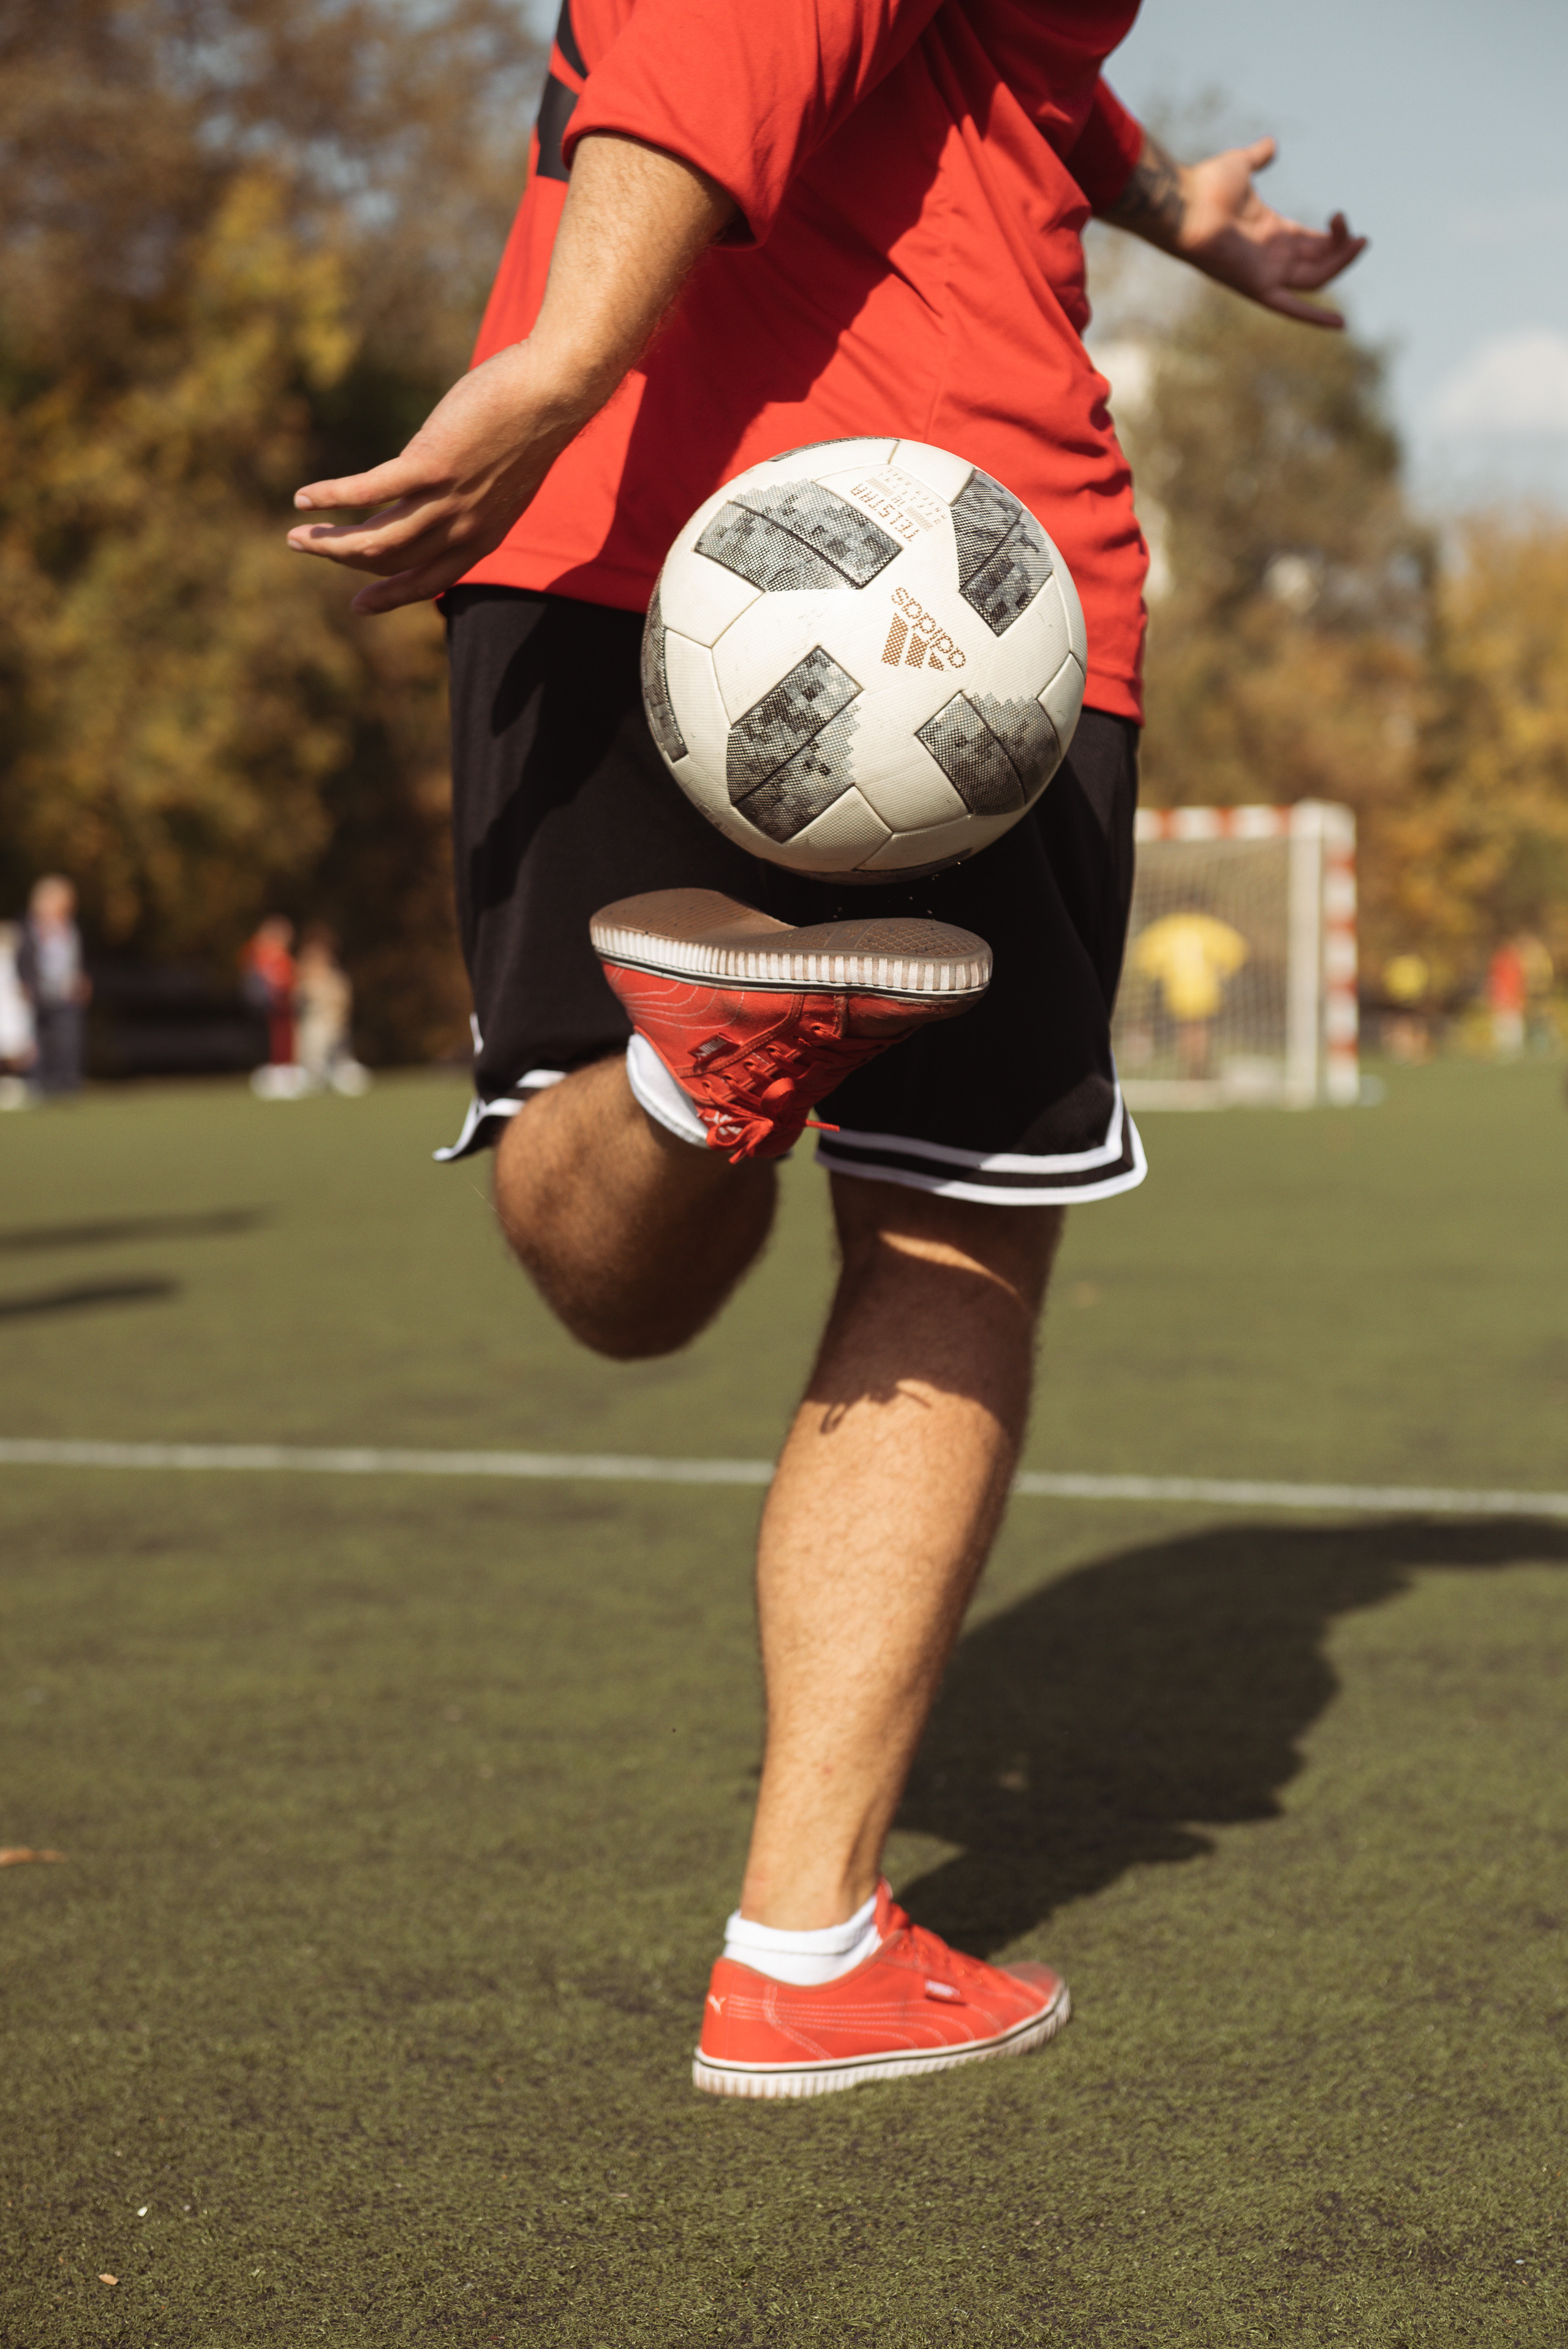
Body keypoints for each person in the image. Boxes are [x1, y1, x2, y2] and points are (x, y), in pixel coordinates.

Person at [288, 0, 1365, 2098]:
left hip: (607, 553)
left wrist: (1164, 199)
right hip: (953, 583)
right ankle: (804, 1945)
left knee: (620, 1255)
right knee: (955, 1233)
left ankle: (693, 1071)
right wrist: (570, 346)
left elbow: (986, 50)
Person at [17, 875, 91, 1098]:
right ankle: (40, 1083)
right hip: (40, 994)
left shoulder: (70, 929)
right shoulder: (30, 928)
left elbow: (75, 960)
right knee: (40, 1040)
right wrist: (26, 984)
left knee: (69, 1038)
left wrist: (82, 980)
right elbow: (24, 960)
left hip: (65, 993)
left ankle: (67, 1081)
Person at [294, 926, 372, 1095]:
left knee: (341, 1064)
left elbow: (342, 1003)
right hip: (316, 1028)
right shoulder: (305, 983)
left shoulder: (336, 979)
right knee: (314, 1063)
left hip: (334, 1027)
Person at [241, 916, 302, 1098]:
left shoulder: (274, 955)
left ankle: (283, 1072)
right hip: (271, 1007)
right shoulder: (263, 954)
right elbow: (278, 980)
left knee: (284, 1039)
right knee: (275, 1040)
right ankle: (276, 1075)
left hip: (280, 1007)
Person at [0, 918, 36, 1109]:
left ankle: (13, 1084)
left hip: (12, 1010)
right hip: (6, 1010)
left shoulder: (18, 961)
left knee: (16, 1049)